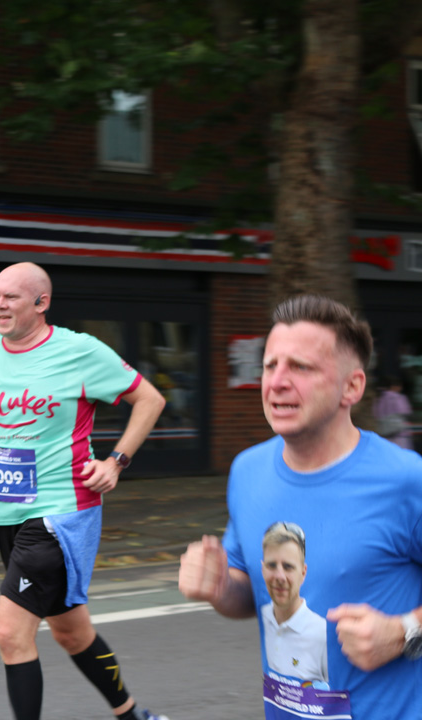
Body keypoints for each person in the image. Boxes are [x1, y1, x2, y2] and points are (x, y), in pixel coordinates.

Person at [0, 262, 168, 720]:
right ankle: (132, 715)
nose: (0, 305)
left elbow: (150, 399)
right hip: (5, 513)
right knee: (71, 632)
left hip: (60, 512)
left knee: (10, 633)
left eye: (11, 297)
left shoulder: (79, 351)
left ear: (42, 303)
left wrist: (116, 461)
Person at [179, 295, 422, 720]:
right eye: (270, 365)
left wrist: (405, 632)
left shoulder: (405, 479)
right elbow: (250, 592)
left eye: (301, 367)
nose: (277, 382)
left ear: (352, 387)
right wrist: (220, 587)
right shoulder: (248, 471)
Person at [260, 522, 328, 685]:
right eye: (272, 565)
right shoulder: (261, 617)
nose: (279, 576)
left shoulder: (322, 634)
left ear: (303, 573)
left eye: (288, 567)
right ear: (263, 569)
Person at [374, 375, 414, 450]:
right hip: (400, 435)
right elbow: (406, 412)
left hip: (384, 434)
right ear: (395, 386)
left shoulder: (378, 399)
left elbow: (376, 414)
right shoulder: (399, 398)